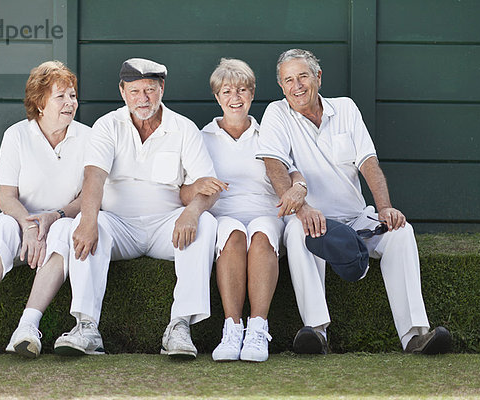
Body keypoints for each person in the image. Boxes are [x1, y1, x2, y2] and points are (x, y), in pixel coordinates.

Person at [257, 49, 451, 355]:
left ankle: (415, 335)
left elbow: (368, 161)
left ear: (318, 78)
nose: (297, 85)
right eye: (288, 80)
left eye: (303, 76)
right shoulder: (276, 114)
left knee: (400, 232)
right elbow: (274, 165)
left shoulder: (346, 109)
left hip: (356, 217)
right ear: (281, 86)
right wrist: (301, 208)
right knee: (297, 231)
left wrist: (385, 207)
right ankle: (317, 332)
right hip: (310, 218)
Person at [53, 58, 218, 359]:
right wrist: (89, 219)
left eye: (150, 90)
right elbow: (94, 177)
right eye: (135, 91)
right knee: (89, 224)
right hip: (119, 225)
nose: (143, 99)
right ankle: (87, 328)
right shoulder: (107, 126)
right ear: (122, 91)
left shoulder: (184, 128)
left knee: (206, 224)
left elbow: (208, 186)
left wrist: (192, 212)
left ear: (162, 89)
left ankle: (179, 327)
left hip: (167, 226)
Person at [0, 60, 89, 359]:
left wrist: (54, 217)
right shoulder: (16, 135)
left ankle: (27, 327)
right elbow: (6, 197)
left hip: (62, 218)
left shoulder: (89, 138)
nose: (70, 103)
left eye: (73, 96)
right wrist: (29, 224)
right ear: (39, 103)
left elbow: (87, 196)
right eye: (61, 96)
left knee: (66, 231)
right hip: (21, 220)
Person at [182, 59, 304, 362]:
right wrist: (198, 186)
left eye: (242, 90)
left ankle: (258, 329)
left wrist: (299, 188)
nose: (235, 98)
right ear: (216, 96)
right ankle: (232, 328)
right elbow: (182, 192)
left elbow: (295, 174)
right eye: (227, 91)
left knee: (262, 234)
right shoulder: (201, 137)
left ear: (252, 94)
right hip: (222, 214)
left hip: (266, 211)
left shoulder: (269, 134)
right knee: (232, 233)